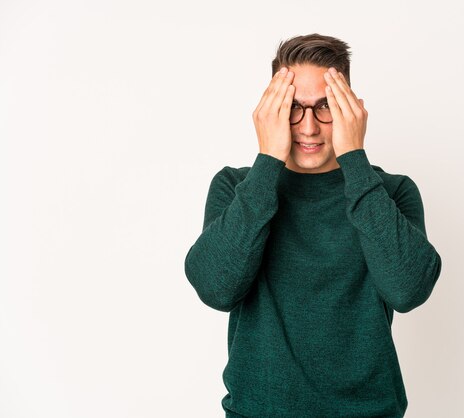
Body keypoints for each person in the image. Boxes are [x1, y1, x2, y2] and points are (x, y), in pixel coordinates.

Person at [184, 33, 443, 418]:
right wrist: (267, 159)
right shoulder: (237, 188)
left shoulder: (390, 192)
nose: (307, 127)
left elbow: (407, 291)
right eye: (292, 108)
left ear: (350, 110)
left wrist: (354, 156)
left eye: (326, 107)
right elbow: (216, 289)